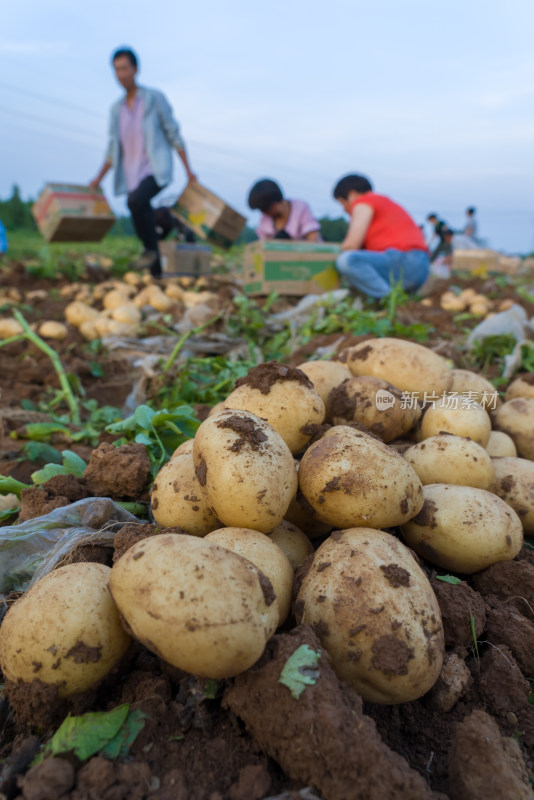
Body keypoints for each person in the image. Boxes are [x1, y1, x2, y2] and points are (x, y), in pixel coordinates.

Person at [90, 48, 197, 278]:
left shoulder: (153, 99)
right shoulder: (116, 109)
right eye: (116, 70)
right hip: (131, 173)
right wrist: (98, 179)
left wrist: (189, 171)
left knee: (136, 201)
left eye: (125, 68)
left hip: (155, 169)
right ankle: (158, 270)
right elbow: (112, 148)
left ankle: (150, 250)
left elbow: (173, 133)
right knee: (143, 211)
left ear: (135, 69)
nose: (121, 74)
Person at [333, 174, 429, 298]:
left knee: (347, 260)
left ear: (351, 195)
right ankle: (393, 298)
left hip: (404, 262)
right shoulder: (384, 202)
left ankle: (390, 300)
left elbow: (351, 245)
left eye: (342, 203)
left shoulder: (364, 202)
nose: (344, 210)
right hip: (419, 267)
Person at [248, 179, 321, 242]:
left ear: (276, 202)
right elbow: (264, 246)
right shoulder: (264, 220)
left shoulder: (301, 208)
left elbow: (313, 239)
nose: (264, 213)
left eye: (266, 209)